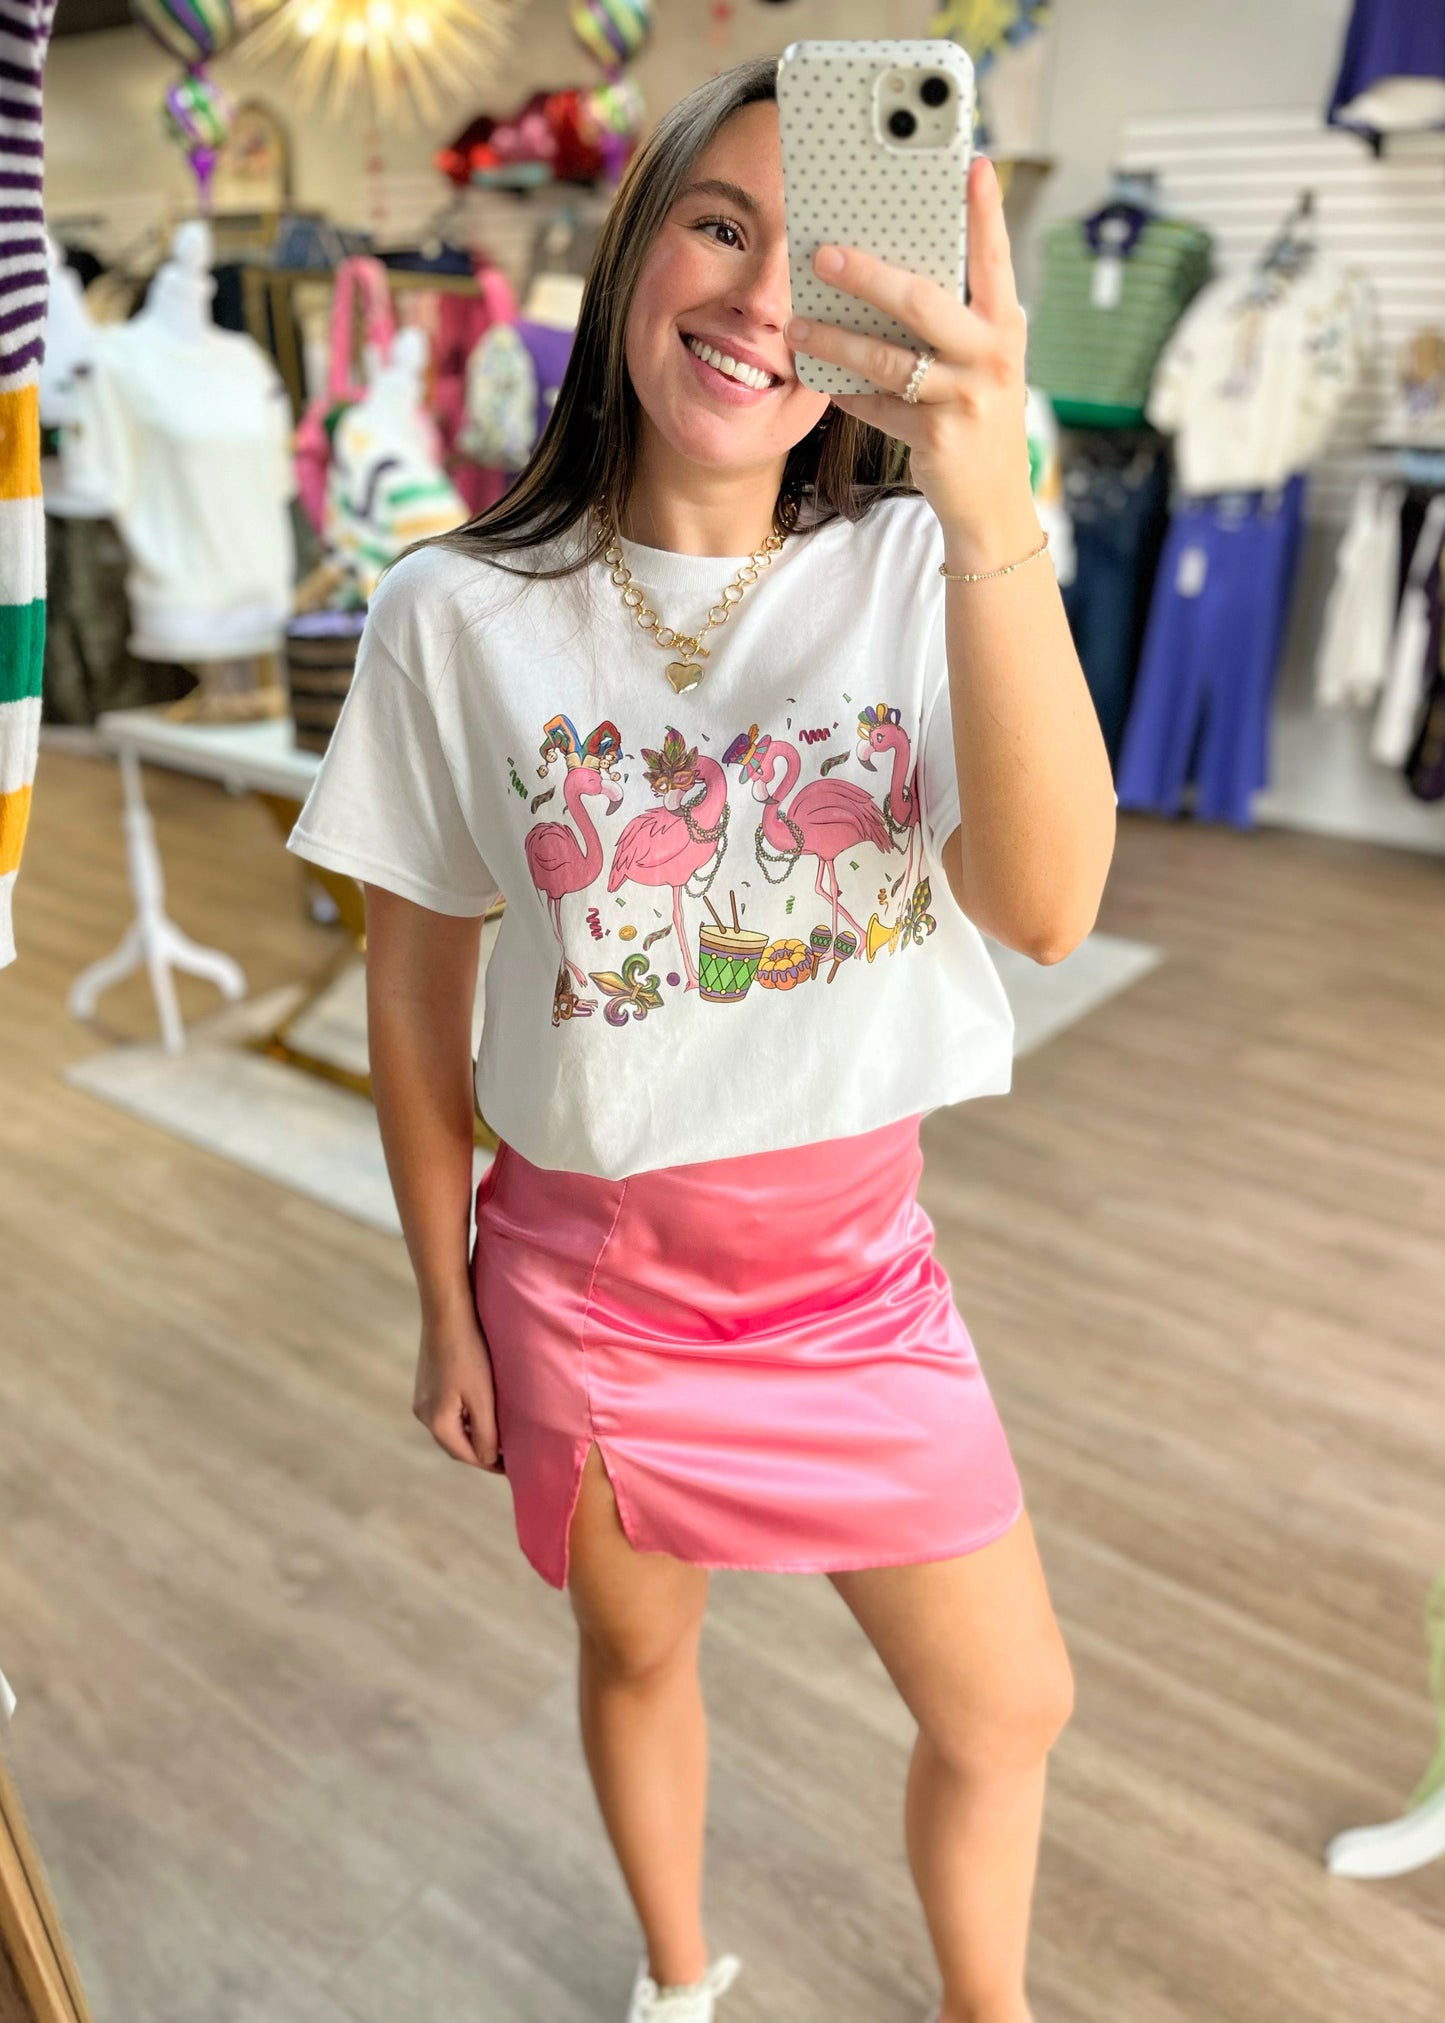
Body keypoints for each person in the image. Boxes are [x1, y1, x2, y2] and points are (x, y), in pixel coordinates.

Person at [286, 52, 1115, 2023]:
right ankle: (678, 1978)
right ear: (630, 246)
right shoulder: (453, 612)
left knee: (1010, 1704)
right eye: (718, 225)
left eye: (813, 257)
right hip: (595, 1290)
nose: (756, 298)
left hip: (861, 1286)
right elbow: (414, 983)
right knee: (638, 1650)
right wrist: (441, 1299)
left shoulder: (922, 566)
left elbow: (1045, 907)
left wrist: (989, 508)